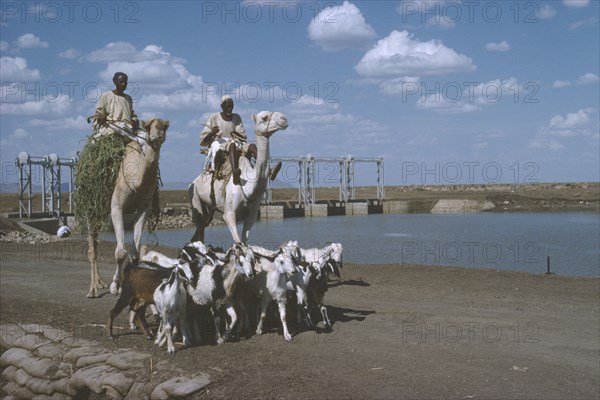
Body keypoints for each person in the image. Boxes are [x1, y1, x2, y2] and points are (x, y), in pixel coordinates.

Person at [200, 95, 254, 185]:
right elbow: (203, 140)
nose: (230, 108)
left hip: (236, 142)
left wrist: (234, 133)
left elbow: (243, 138)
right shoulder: (214, 117)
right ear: (222, 106)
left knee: (252, 146)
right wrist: (212, 133)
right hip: (220, 144)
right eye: (228, 106)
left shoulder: (236, 117)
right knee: (231, 145)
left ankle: (267, 170)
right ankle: (235, 172)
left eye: (232, 106)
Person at [93, 72, 143, 144]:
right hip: (110, 127)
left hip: (127, 128)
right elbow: (98, 115)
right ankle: (135, 139)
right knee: (120, 127)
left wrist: (134, 121)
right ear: (115, 82)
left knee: (144, 135)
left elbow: (132, 115)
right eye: (121, 82)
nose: (123, 84)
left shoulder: (128, 99)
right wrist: (101, 118)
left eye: (125, 82)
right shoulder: (106, 96)